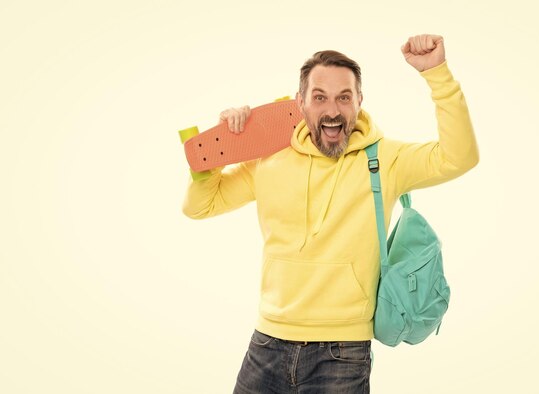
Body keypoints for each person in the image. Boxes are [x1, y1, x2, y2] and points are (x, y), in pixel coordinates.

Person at [182, 34, 479, 393]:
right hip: (268, 343)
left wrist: (438, 75)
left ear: (359, 102)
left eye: (344, 97)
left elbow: (459, 156)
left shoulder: (386, 160)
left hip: (343, 352)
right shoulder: (270, 160)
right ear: (301, 102)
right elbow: (200, 206)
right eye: (319, 97)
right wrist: (219, 153)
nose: (333, 111)